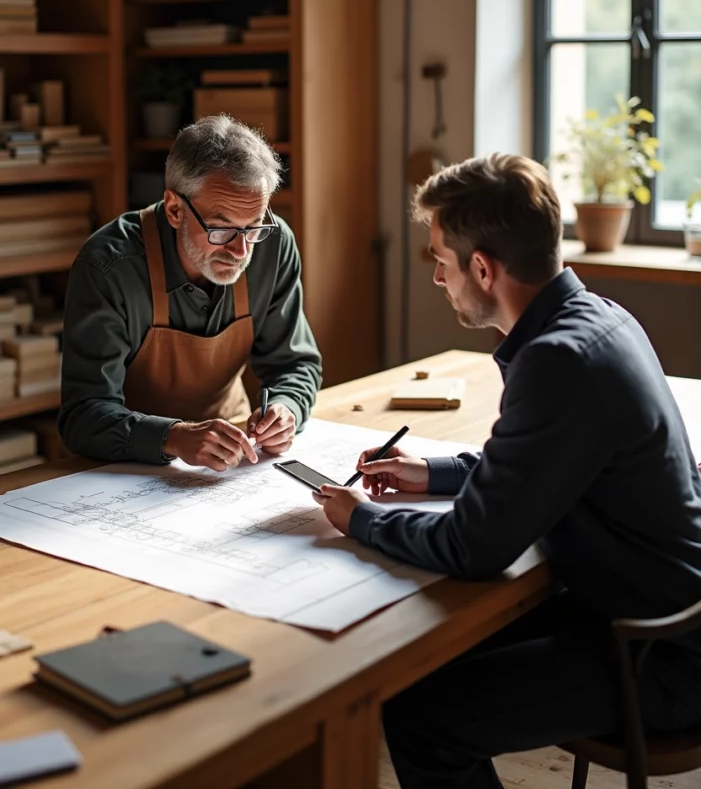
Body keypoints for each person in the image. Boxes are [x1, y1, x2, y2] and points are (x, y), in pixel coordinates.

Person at [313, 154, 701, 789]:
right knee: (418, 669)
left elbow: (473, 547)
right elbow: (543, 461)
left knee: (419, 717)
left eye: (440, 260)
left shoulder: (557, 362)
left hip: (662, 653)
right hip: (650, 609)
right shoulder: (599, 318)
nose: (438, 276)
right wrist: (431, 474)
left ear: (483, 269)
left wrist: (363, 519)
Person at [59, 115, 322, 472]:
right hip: (125, 467)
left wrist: (286, 408)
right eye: (222, 229)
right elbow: (83, 415)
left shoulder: (273, 246)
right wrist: (174, 437)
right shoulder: (109, 267)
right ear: (175, 209)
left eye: (253, 227)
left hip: (234, 456)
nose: (241, 251)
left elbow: (294, 363)